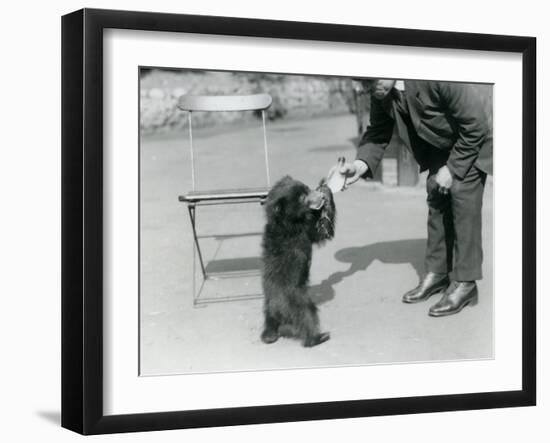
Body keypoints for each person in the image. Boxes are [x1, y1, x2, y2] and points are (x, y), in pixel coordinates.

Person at [341, 79, 492, 317]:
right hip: (439, 150)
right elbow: (378, 130)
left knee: (463, 201)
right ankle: (438, 273)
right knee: (436, 199)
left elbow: (476, 125)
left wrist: (452, 169)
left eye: (367, 82)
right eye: (359, 82)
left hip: (471, 144)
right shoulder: (381, 90)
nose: (362, 89)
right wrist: (360, 165)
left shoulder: (437, 76)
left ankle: (465, 284)